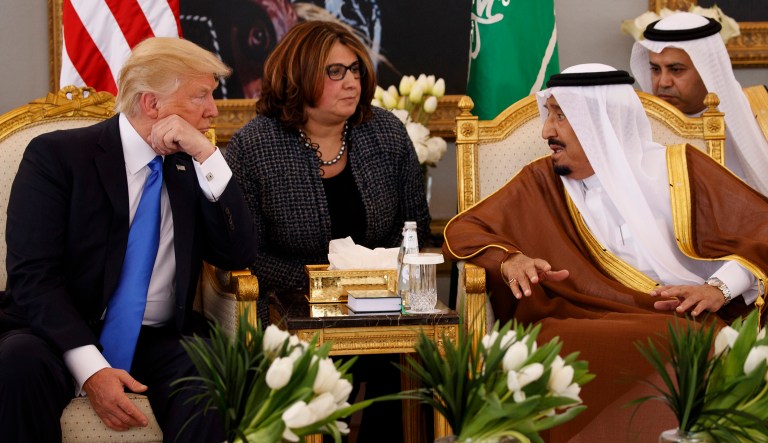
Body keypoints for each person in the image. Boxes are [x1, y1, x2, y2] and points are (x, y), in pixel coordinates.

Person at [442, 63, 768, 442]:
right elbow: (462, 230)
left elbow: (761, 227)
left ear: (601, 121)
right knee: (560, 344)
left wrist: (719, 288)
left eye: (561, 117)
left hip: (676, 315)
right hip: (575, 316)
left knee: (695, 339)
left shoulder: (679, 169)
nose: (547, 131)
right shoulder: (541, 181)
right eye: (549, 115)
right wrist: (511, 258)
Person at [0, 37, 256, 442]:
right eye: (201, 96)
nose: (213, 110)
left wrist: (208, 157)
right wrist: (92, 367)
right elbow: (33, 277)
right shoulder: (56, 157)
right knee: (15, 364)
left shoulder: (191, 162)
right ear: (151, 104)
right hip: (59, 331)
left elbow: (237, 252)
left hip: (160, 336)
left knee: (211, 369)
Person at [225, 20, 430, 441]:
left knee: (410, 361)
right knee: (316, 375)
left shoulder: (386, 133)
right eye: (334, 72)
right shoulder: (254, 145)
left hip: (383, 305)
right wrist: (324, 283)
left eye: (355, 70)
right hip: (289, 309)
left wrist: (374, 282)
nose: (351, 82)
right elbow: (247, 253)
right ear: (297, 76)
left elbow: (415, 225)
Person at [630, 11, 768, 196]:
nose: (663, 82)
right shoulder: (638, 129)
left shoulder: (761, 110)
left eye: (676, 70)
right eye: (655, 69)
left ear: (707, 70)